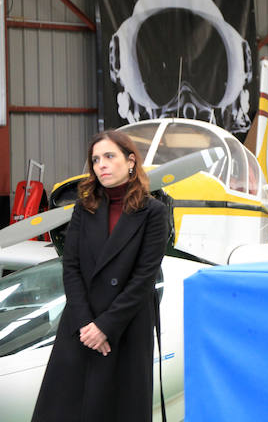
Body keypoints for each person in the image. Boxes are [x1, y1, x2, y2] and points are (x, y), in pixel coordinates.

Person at [31, 130, 169, 422]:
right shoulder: (85, 207)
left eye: (109, 156)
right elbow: (71, 267)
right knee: (65, 408)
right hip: (81, 327)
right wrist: (86, 325)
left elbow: (144, 278)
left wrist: (106, 326)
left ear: (130, 161)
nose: (101, 165)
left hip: (126, 328)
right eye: (95, 160)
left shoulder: (154, 213)